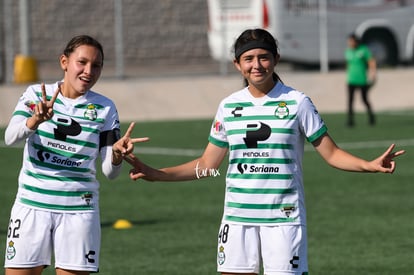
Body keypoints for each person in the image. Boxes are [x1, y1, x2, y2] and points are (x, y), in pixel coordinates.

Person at [125, 29, 404, 275]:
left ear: (276, 59)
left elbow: (331, 154)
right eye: (248, 59)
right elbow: (208, 163)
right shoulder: (229, 106)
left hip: (283, 218)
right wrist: (155, 174)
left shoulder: (297, 103)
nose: (256, 65)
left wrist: (369, 165)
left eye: (263, 57)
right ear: (237, 64)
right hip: (236, 219)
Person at [3, 35, 147, 275]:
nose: (88, 71)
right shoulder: (37, 94)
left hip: (79, 211)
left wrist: (117, 155)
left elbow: (110, 173)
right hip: (31, 206)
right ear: (64, 62)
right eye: (82, 62)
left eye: (96, 65)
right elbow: (10, 137)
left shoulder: (105, 108)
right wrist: (36, 120)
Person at [345, 33, 377, 127]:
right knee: (350, 100)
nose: (350, 43)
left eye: (351, 41)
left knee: (364, 99)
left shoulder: (363, 49)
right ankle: (350, 120)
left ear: (355, 41)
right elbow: (348, 64)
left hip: (362, 79)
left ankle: (371, 117)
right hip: (351, 80)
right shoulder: (348, 51)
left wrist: (373, 73)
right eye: (349, 41)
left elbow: (371, 60)